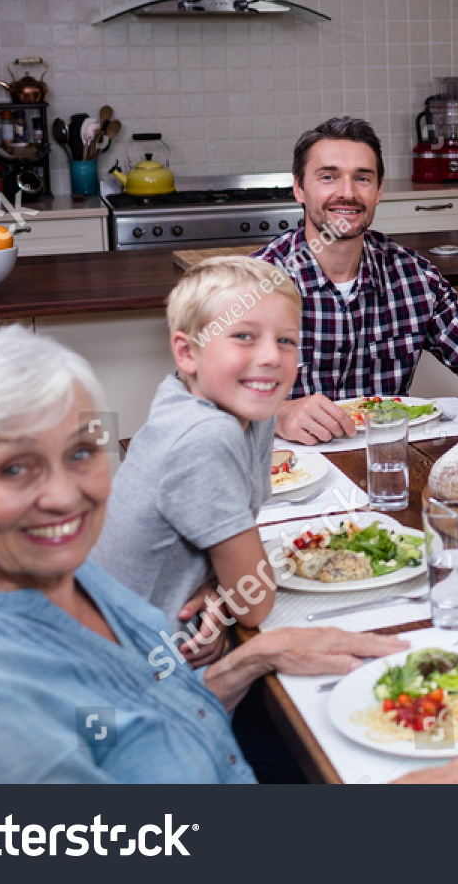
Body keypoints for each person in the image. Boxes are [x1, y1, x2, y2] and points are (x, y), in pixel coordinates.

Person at [0, 325, 458, 783]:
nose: (63, 495)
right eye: (12, 469)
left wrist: (253, 657)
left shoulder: (58, 572)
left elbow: (140, 718)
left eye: (81, 451)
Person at [254, 116, 458, 445]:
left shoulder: (413, 276)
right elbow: (196, 399)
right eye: (328, 177)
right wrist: (276, 414)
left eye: (362, 178)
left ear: (379, 191)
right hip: (291, 473)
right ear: (299, 187)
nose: (347, 193)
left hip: (387, 468)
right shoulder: (254, 284)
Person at [90, 256, 298, 666]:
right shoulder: (207, 435)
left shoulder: (242, 409)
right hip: (136, 673)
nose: (271, 356)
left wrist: (221, 588)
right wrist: (231, 591)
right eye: (243, 336)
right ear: (187, 352)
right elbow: (255, 603)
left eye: (286, 340)